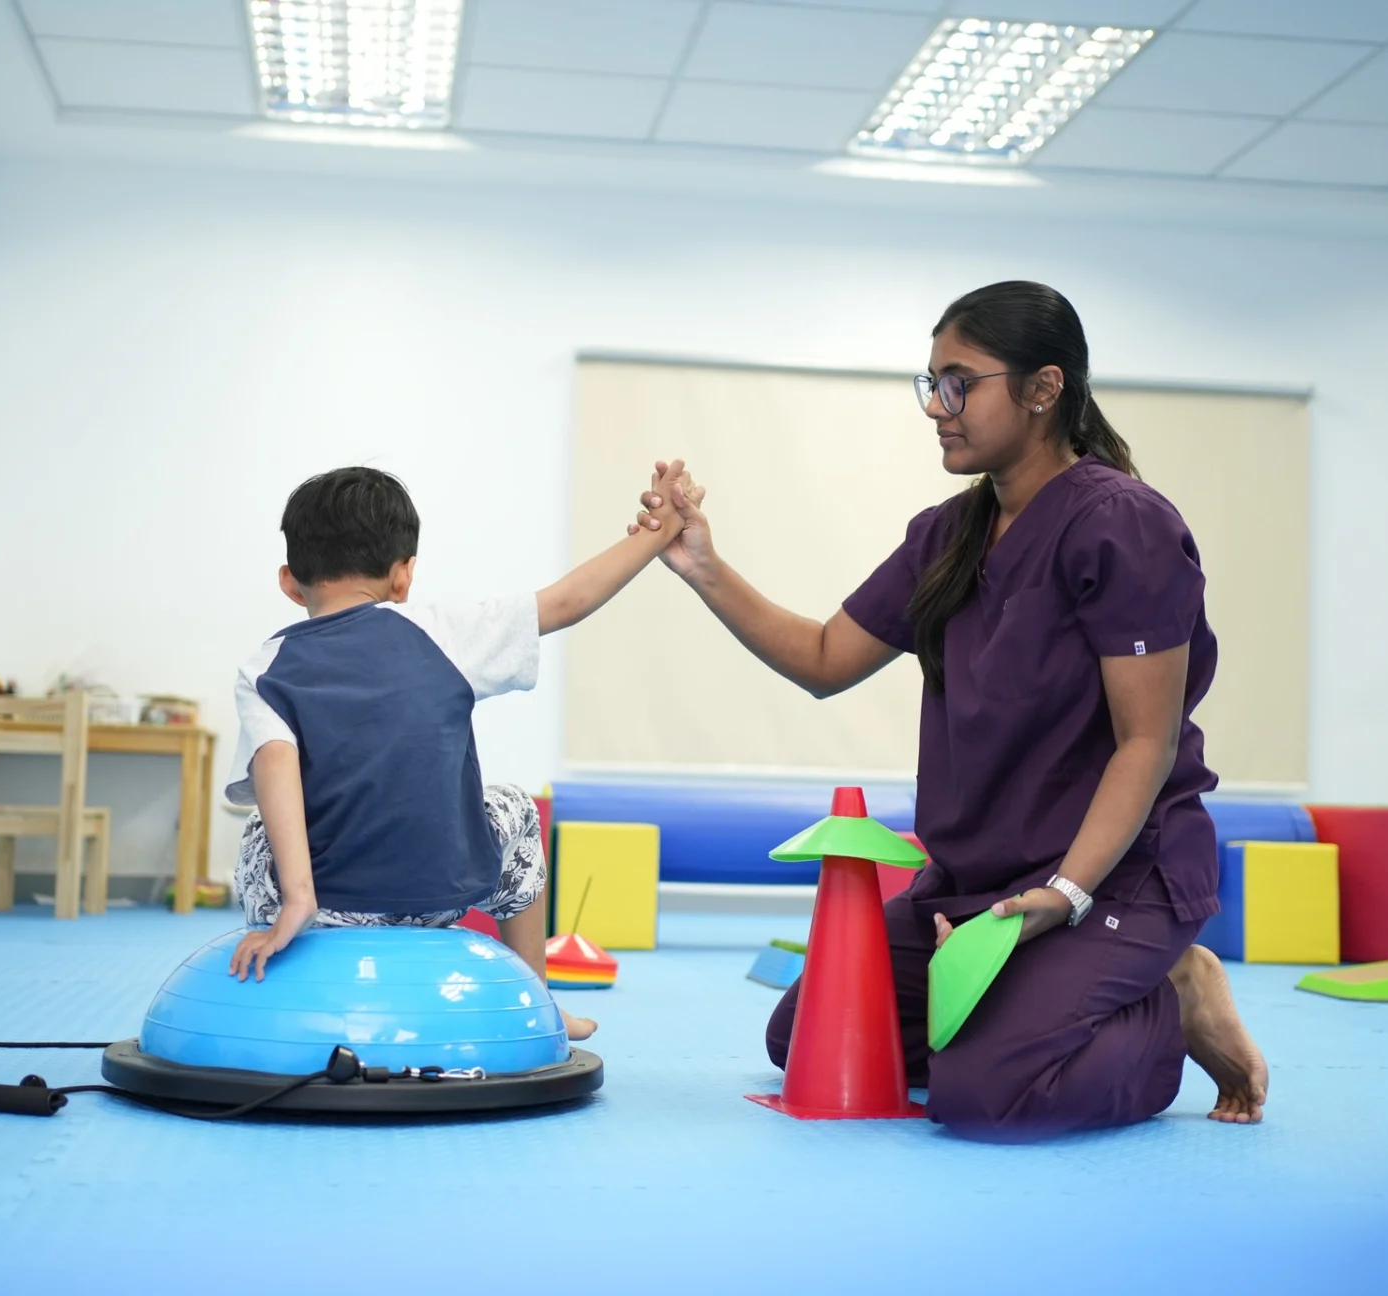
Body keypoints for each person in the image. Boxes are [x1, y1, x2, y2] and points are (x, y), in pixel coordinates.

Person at [632, 282, 1267, 1136]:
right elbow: (823, 659)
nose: (938, 407)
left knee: (984, 1095)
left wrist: (1064, 893)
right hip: (977, 884)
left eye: (960, 382)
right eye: (931, 382)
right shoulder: (947, 535)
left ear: (1044, 389)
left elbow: (1146, 744)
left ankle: (1168, 1003)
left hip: (1115, 876)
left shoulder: (1124, 528)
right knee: (807, 1035)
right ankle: (1053, 1001)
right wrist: (701, 563)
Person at [223, 461, 696, 1042]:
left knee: (256, 829)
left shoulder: (263, 667)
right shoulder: (444, 630)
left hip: (322, 908)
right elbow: (571, 600)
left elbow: (275, 763)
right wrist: (660, 528)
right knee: (516, 807)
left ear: (290, 581)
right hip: (436, 898)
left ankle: (288, 975)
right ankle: (537, 998)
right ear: (404, 575)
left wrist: (297, 901)